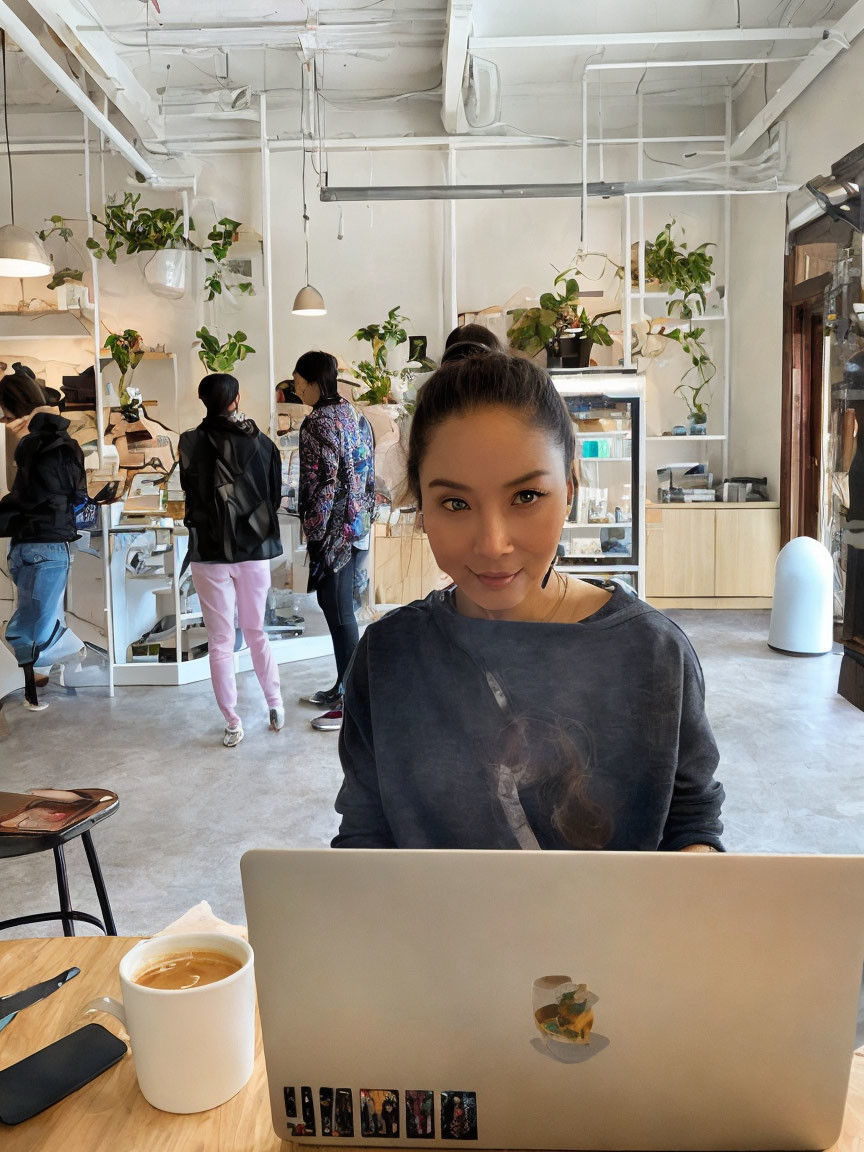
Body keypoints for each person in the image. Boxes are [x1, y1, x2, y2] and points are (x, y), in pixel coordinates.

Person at [332, 350, 725, 850]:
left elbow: (691, 820)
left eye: (525, 497)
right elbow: (364, 833)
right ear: (422, 507)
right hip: (433, 929)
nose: (493, 544)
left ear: (570, 489)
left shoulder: (654, 654)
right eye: (455, 503)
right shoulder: (388, 657)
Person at [179, 373, 284, 748]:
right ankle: (275, 705)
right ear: (236, 399)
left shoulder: (189, 441)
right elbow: (274, 496)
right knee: (256, 633)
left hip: (209, 551)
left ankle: (233, 722)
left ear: (203, 399)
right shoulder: (263, 443)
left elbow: (191, 493)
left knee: (221, 641)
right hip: (254, 548)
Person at [294, 351, 375, 732]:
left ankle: (352, 701)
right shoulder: (352, 413)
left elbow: (322, 483)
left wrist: (314, 528)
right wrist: (365, 513)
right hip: (356, 526)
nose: (297, 392)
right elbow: (367, 470)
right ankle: (343, 685)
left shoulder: (316, 423)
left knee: (340, 613)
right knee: (339, 610)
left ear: (312, 382)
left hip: (332, 532)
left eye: (298, 384)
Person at [0, 370, 87, 711]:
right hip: (45, 543)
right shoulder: (64, 443)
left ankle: (57, 659)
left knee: (30, 624)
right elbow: (76, 493)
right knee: (32, 626)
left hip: (30, 543)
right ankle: (65, 653)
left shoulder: (24, 440)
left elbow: (24, 493)